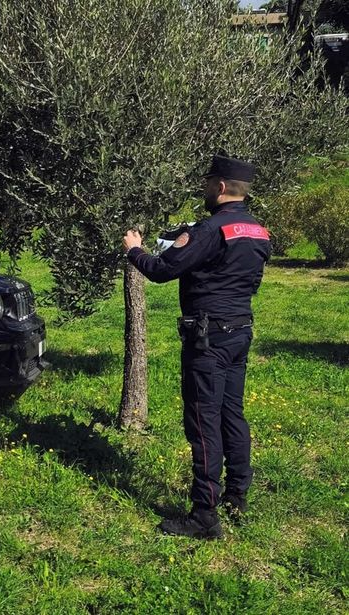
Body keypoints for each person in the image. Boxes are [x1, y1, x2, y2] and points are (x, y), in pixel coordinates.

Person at [122, 154, 271, 539]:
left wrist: (134, 249)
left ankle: (205, 515)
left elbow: (161, 270)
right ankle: (237, 495)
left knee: (203, 422)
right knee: (231, 414)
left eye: (208, 183)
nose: (205, 189)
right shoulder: (258, 231)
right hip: (240, 331)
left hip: (208, 338)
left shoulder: (210, 229)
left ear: (220, 187)